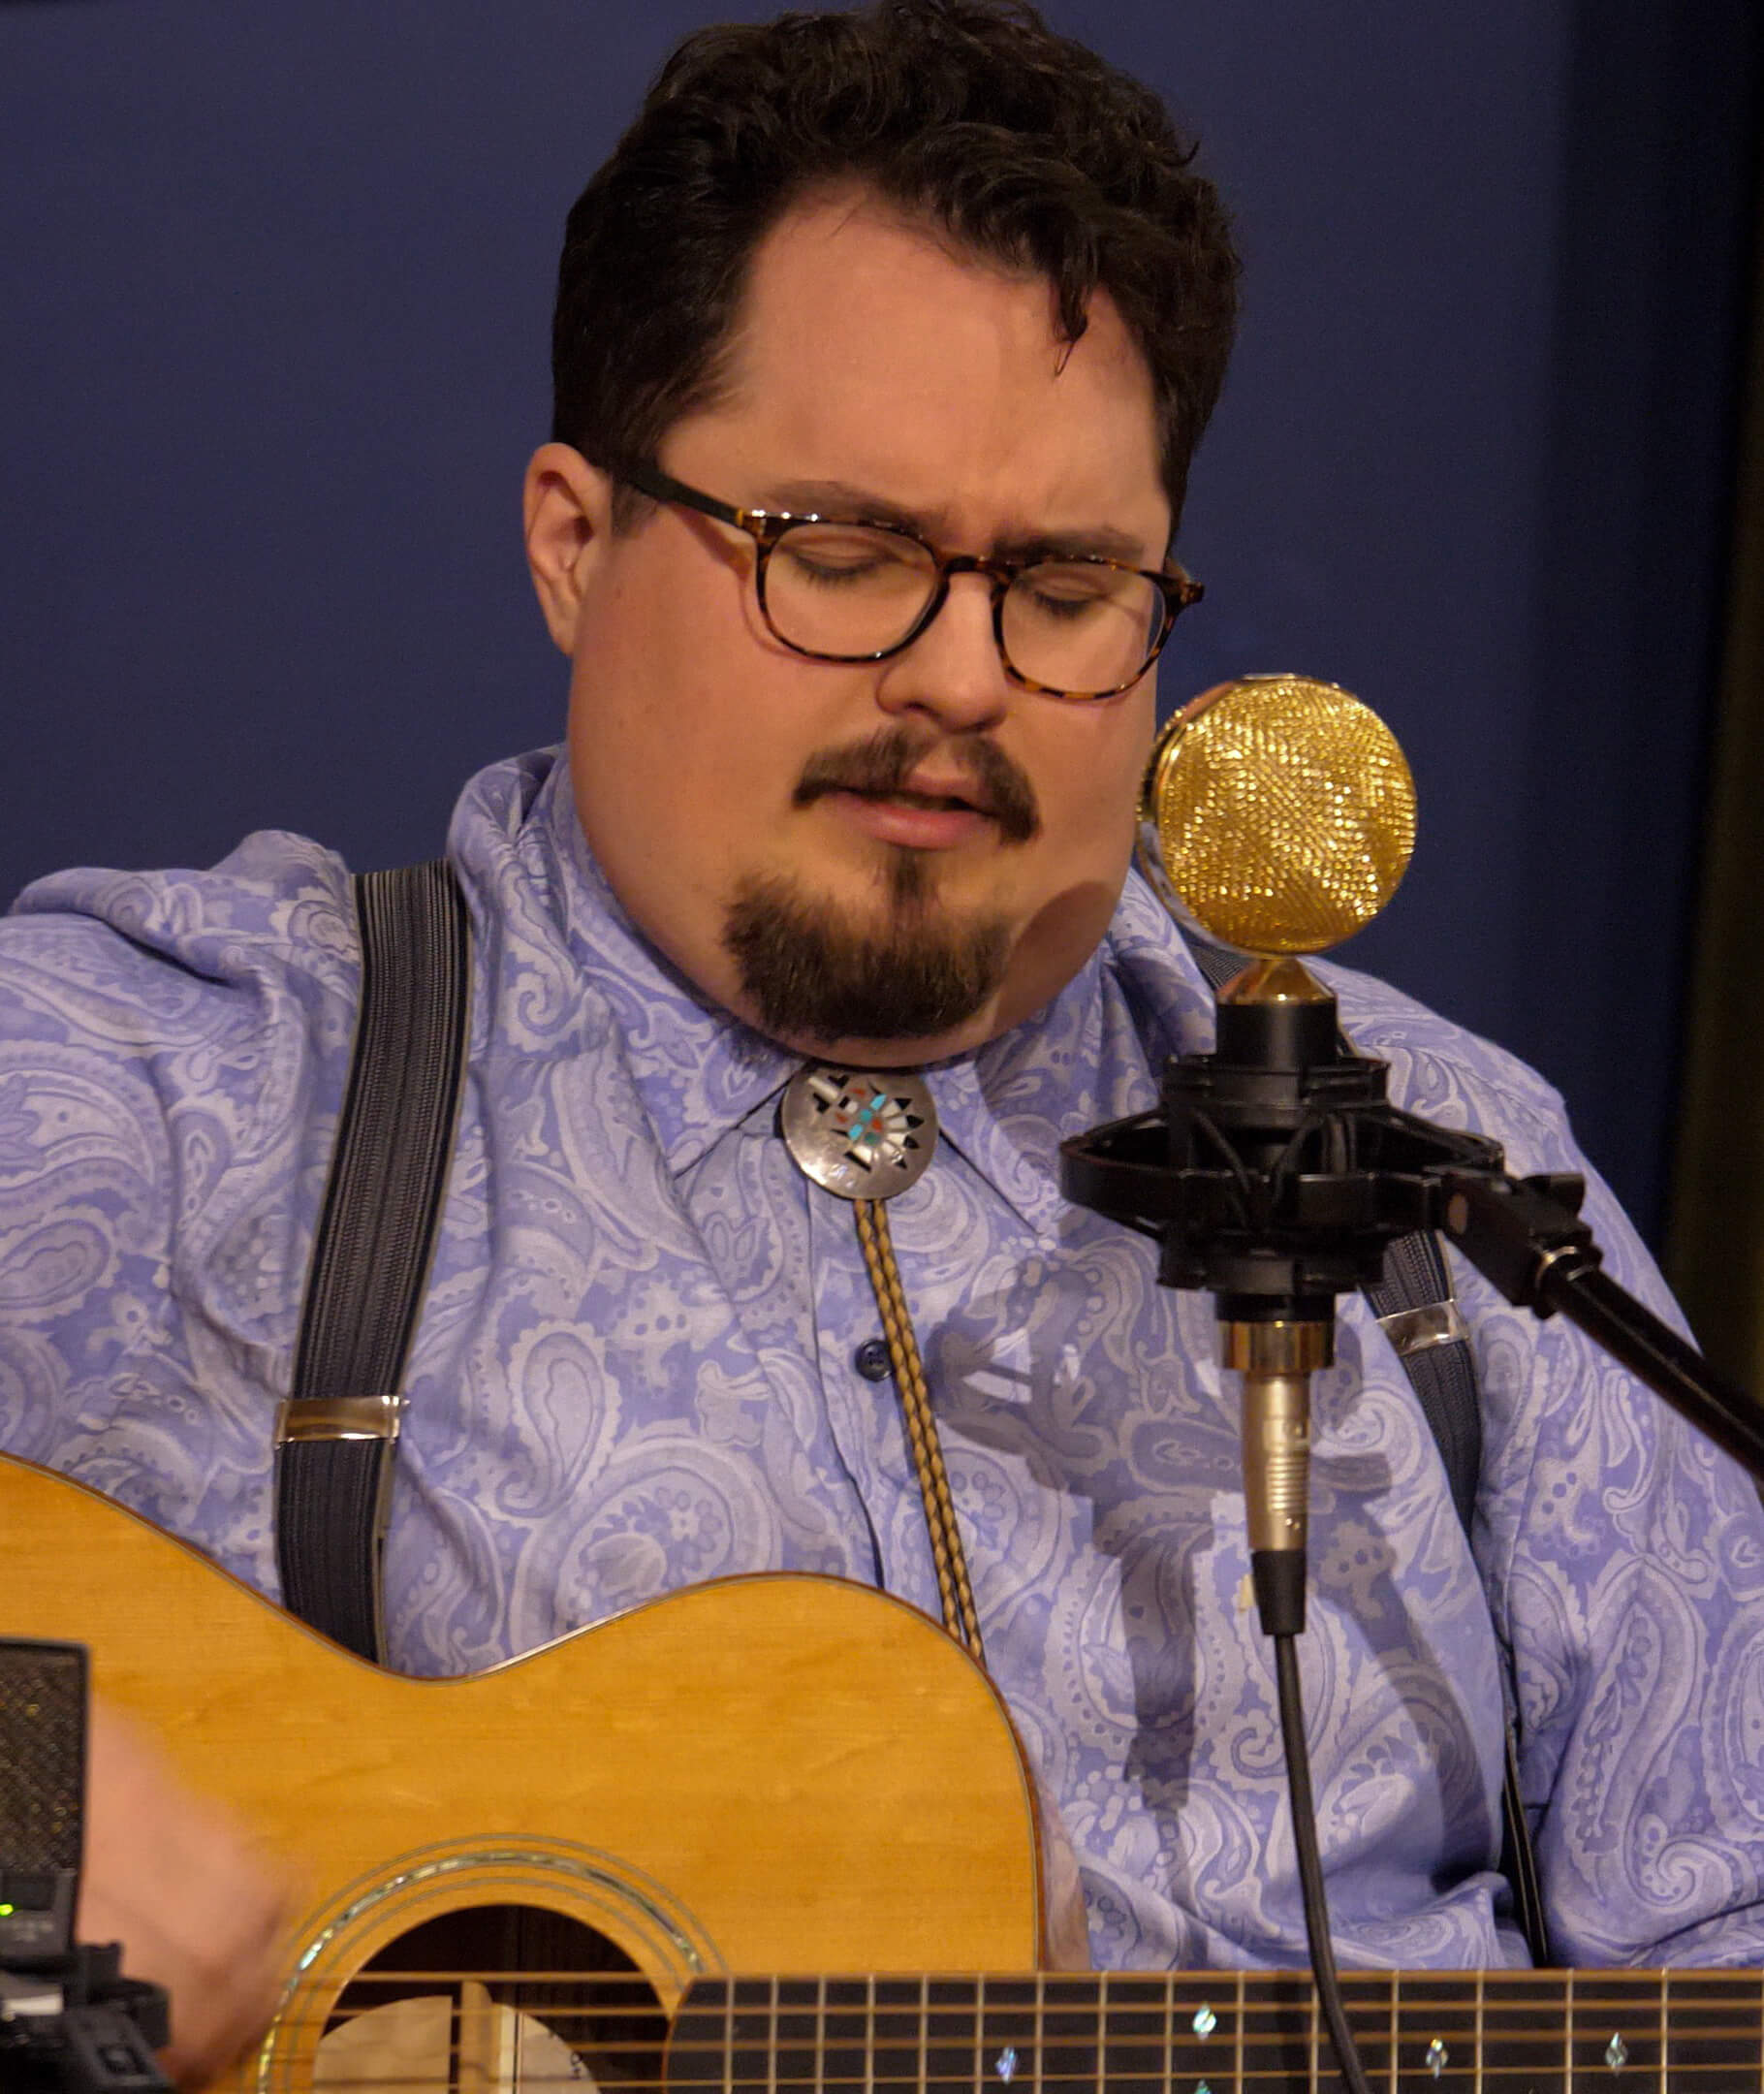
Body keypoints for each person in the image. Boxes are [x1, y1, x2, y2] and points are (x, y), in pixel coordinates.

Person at [6, 0, 1764, 2083]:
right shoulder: (177, 1086)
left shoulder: (1446, 1187)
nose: (958, 675)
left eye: (1067, 584)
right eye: (836, 554)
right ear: (575, 542)